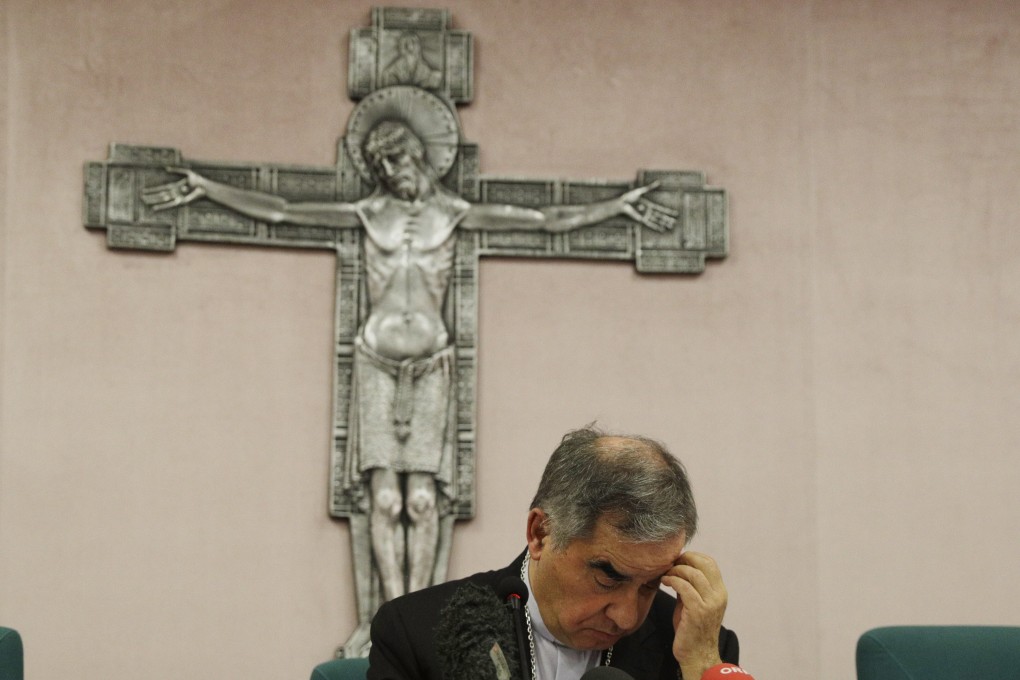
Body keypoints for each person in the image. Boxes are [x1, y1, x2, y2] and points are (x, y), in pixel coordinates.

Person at [141, 124, 664, 609]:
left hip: (431, 366)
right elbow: (281, 210)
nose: (392, 174)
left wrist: (617, 206)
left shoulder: (453, 212)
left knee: (422, 503)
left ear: (419, 157)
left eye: (398, 162)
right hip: (376, 362)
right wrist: (206, 189)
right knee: (386, 501)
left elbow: (544, 220)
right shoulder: (369, 212)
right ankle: (388, 615)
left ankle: (420, 614)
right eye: (383, 167)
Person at [366, 425, 740, 680]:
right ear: (540, 533)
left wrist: (703, 663)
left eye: (650, 584)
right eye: (608, 577)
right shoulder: (416, 632)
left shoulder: (691, 648)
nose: (627, 618)